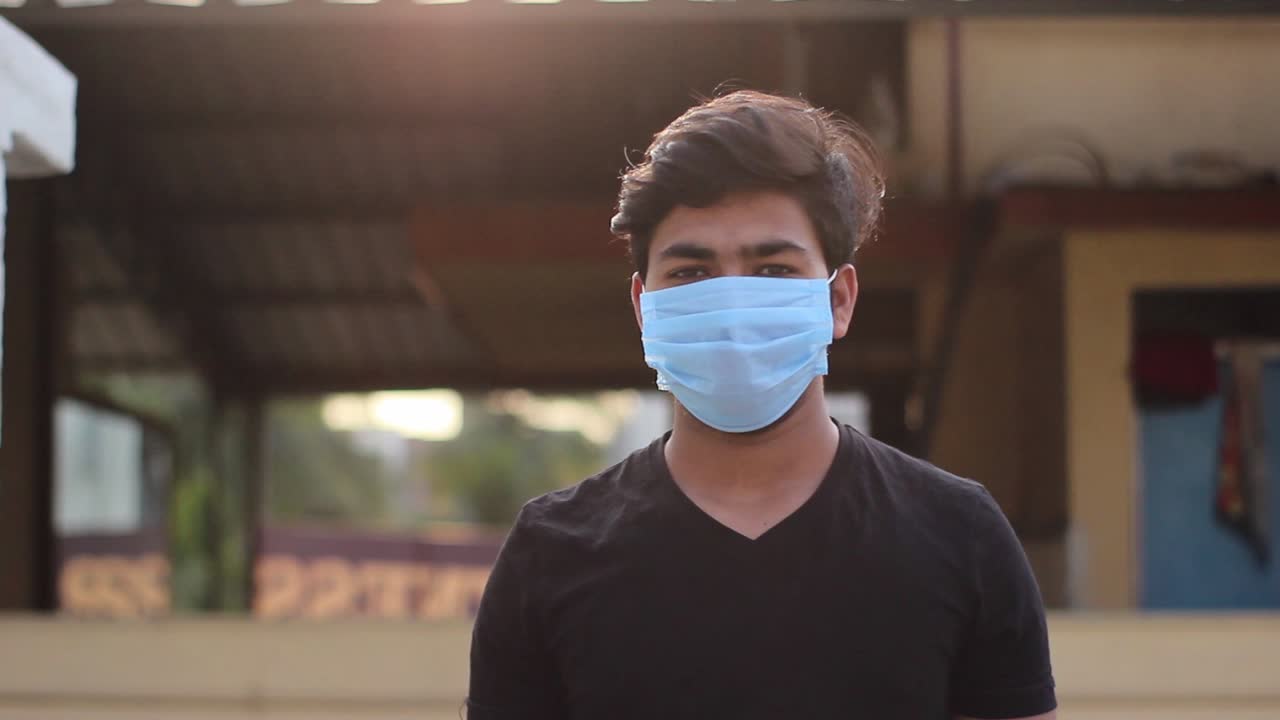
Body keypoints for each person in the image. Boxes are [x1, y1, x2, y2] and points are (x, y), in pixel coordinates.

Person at [466, 90, 1056, 720]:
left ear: (839, 300)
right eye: (691, 273)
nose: (732, 308)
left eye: (773, 269)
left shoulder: (960, 536)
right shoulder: (550, 554)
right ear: (643, 307)